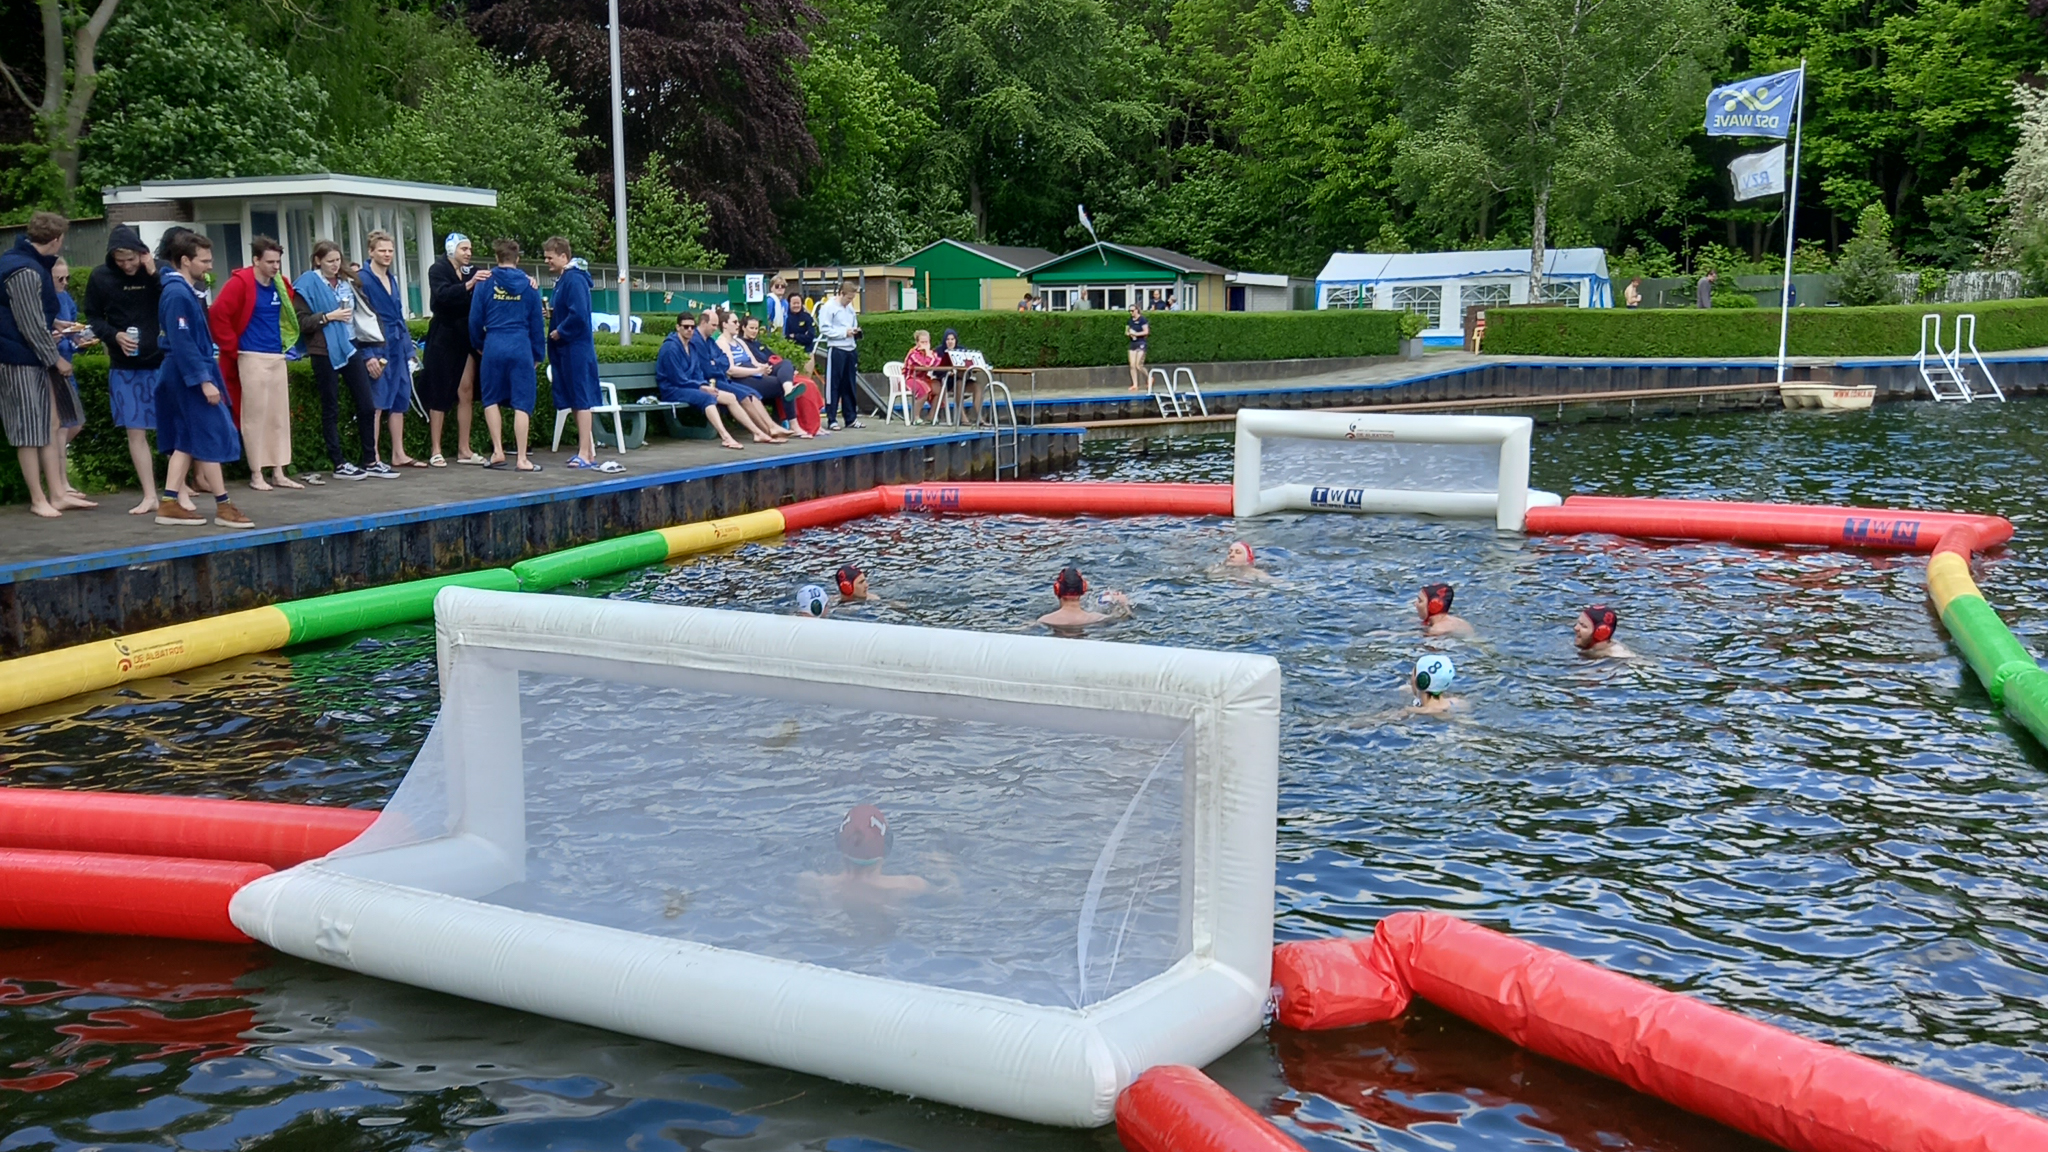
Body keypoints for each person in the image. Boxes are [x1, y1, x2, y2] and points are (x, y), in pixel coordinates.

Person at [152, 230, 253, 529]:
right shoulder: (176, 294)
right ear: (185, 260)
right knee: (209, 434)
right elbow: (182, 343)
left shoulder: (181, 291)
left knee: (187, 437)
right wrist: (204, 381)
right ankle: (223, 505)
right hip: (188, 374)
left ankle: (169, 502)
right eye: (205, 260)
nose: (210, 266)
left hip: (183, 372)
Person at [0, 211, 85, 518]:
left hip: (29, 355)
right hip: (18, 358)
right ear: (57, 239)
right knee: (27, 429)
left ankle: (58, 493)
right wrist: (56, 358)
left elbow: (34, 315)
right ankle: (38, 499)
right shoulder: (22, 269)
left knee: (50, 424)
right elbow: (29, 323)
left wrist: (59, 322)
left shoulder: (27, 263)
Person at [210, 235, 301, 491]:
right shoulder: (240, 283)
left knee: (279, 416)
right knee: (255, 416)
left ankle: (279, 470)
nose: (275, 267)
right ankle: (256, 472)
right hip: (251, 356)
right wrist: (232, 348)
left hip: (276, 356)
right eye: (270, 262)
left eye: (278, 262)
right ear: (256, 260)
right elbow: (218, 314)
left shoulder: (280, 284)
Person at [84, 224, 164, 513]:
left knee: (174, 428)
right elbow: (92, 315)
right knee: (136, 432)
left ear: (141, 253)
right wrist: (113, 335)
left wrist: (153, 272)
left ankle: (177, 489)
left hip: (161, 361)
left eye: (131, 259)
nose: (128, 265)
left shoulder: (157, 270)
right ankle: (149, 494)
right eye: (121, 260)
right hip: (125, 365)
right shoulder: (101, 277)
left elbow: (175, 298)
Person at [294, 240, 386, 480]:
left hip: (350, 345)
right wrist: (328, 316)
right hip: (323, 350)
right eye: (329, 261)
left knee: (366, 403)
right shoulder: (307, 284)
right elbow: (302, 322)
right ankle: (338, 463)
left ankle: (370, 458)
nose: (335, 265)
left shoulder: (348, 281)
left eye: (338, 260)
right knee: (331, 407)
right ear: (317, 261)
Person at [468, 238, 547, 472]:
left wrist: (479, 345)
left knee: (491, 398)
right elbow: (536, 323)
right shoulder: (530, 286)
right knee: (522, 402)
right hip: (521, 344)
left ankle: (498, 451)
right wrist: (537, 354)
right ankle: (522, 458)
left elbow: (474, 320)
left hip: (493, 344)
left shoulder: (485, 282)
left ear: (496, 258)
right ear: (518, 259)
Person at [540, 238, 618, 473]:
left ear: (564, 256)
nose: (546, 262)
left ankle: (585, 452)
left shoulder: (573, 279)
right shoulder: (564, 280)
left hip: (575, 349)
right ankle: (587, 451)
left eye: (549, 257)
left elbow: (579, 315)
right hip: (567, 350)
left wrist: (558, 331)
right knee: (575, 399)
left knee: (581, 399)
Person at [358, 230, 424, 471]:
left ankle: (398, 452)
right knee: (377, 401)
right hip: (377, 345)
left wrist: (409, 351)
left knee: (399, 398)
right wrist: (368, 355)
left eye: (390, 251)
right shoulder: (361, 279)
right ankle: (372, 455)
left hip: (397, 344)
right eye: (382, 250)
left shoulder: (392, 278)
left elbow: (398, 315)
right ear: (370, 251)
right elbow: (359, 320)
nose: (387, 255)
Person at [798, 804, 951, 903]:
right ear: (887, 845)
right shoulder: (911, 886)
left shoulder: (813, 884)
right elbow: (952, 897)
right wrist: (943, 868)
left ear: (839, 843)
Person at [423, 233, 488, 466]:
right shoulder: (438, 269)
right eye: (464, 249)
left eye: (470, 249)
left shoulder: (472, 270)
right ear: (452, 250)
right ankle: (436, 449)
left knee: (466, 390)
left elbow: (497, 277)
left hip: (465, 336)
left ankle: (464, 448)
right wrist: (469, 285)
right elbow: (441, 297)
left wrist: (525, 280)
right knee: (439, 391)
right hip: (443, 335)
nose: (469, 253)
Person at [653, 312, 752, 450]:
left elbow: (698, 372)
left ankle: (757, 432)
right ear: (678, 327)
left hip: (691, 387)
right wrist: (701, 387)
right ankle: (725, 437)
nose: (689, 330)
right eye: (686, 327)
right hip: (672, 389)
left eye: (692, 327)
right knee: (707, 398)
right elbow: (677, 379)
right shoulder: (670, 348)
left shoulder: (691, 346)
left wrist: (703, 384)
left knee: (730, 397)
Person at [700, 310, 787, 444]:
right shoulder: (718, 342)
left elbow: (723, 362)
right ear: (724, 325)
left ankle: (770, 428)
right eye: (735, 322)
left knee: (753, 393)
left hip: (735, 376)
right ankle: (765, 431)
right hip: (726, 379)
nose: (738, 325)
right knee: (759, 390)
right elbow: (729, 368)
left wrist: (762, 368)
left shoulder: (724, 342)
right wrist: (756, 371)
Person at [740, 314, 808, 436]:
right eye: (751, 328)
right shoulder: (741, 344)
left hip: (769, 369)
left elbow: (773, 357)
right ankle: (794, 425)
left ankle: (788, 389)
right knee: (780, 384)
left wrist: (790, 370)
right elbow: (746, 363)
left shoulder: (758, 344)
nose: (754, 331)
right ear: (743, 328)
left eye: (756, 328)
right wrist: (760, 368)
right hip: (754, 374)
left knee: (786, 363)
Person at [816, 282, 862, 430]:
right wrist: (843, 333)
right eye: (848, 298)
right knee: (833, 385)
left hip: (850, 348)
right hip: (837, 348)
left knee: (849, 384)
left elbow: (853, 323)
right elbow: (824, 328)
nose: (850, 301)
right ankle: (832, 418)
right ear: (841, 293)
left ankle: (851, 418)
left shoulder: (849, 308)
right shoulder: (828, 307)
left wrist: (855, 332)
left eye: (852, 298)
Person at [1038, 565, 1131, 630]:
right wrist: (1124, 604)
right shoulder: (1097, 619)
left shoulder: (1044, 621)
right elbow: (1124, 617)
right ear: (1084, 588)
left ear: (1056, 589)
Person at [901, 329, 941, 422]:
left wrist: (930, 355)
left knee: (939, 388)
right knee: (924, 388)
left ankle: (931, 415)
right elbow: (925, 365)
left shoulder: (930, 353)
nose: (925, 344)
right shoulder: (913, 353)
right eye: (922, 342)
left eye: (926, 342)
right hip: (909, 378)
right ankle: (916, 417)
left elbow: (938, 362)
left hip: (923, 378)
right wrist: (929, 355)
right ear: (917, 342)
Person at [1126, 303, 1149, 393]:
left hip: (1141, 342)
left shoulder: (1142, 320)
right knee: (1132, 365)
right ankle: (1135, 384)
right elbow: (1126, 330)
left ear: (1137, 310)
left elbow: (1146, 332)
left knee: (1138, 365)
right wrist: (1129, 333)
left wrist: (1136, 334)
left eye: (1132, 310)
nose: (1131, 312)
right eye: (1130, 311)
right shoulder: (1130, 321)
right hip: (1133, 343)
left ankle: (1149, 378)